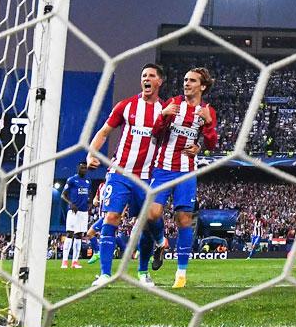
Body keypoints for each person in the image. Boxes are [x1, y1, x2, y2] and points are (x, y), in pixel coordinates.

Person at [86, 63, 166, 287]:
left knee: (148, 223)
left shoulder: (166, 110)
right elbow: (103, 132)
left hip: (148, 176)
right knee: (111, 217)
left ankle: (143, 272)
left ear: (159, 81)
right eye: (143, 76)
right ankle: (104, 274)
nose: (146, 79)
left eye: (151, 76)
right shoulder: (127, 106)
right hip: (120, 172)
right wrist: (91, 154)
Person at [139, 67, 218, 288]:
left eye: (192, 81)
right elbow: (155, 133)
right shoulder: (173, 103)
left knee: (184, 220)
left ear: (202, 86)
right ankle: (160, 241)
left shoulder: (207, 111)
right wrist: (163, 116)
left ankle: (181, 274)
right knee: (152, 213)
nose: (187, 83)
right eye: (185, 80)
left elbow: (211, 144)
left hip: (186, 170)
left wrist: (207, 128)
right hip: (163, 168)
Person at [60, 161, 91, 269]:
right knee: (69, 234)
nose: (83, 170)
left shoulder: (87, 182)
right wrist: (70, 203)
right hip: (73, 211)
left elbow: (86, 195)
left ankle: (75, 262)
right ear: (78, 168)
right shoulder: (72, 180)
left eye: (85, 168)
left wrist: (88, 203)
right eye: (82, 168)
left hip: (83, 212)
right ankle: (64, 262)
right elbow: (63, 195)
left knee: (79, 236)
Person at [86, 180, 106, 265]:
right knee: (91, 234)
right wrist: (95, 200)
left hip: (107, 216)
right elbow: (96, 198)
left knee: (91, 234)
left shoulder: (116, 186)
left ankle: (97, 253)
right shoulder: (101, 185)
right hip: (101, 216)